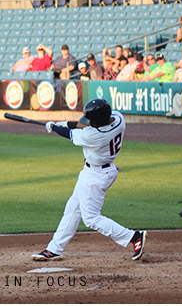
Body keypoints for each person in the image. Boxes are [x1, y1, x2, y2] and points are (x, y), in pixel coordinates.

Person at [32, 99, 148, 262]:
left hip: (96, 176)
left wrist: (55, 128)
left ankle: (134, 236)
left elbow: (72, 134)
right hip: (98, 171)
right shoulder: (118, 118)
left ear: (98, 121)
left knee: (91, 218)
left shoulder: (95, 136)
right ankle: (54, 249)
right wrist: (62, 123)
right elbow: (81, 125)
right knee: (72, 208)